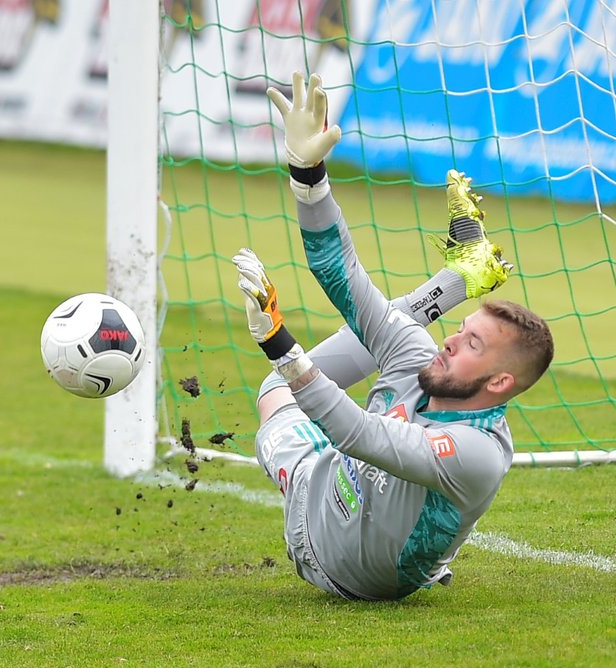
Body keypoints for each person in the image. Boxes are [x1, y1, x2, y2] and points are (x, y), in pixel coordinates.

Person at [234, 72, 554, 601]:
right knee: (380, 327)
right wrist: (307, 174)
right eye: (462, 330)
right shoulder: (425, 359)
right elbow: (341, 273)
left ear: (499, 382)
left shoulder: (477, 452)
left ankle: (458, 282)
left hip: (332, 559)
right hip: (330, 475)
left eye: (471, 345)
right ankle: (460, 281)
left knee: (277, 391)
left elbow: (355, 433)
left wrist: (281, 346)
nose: (451, 342)